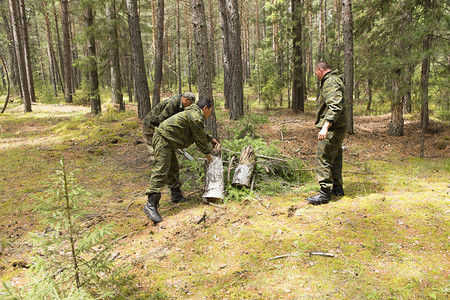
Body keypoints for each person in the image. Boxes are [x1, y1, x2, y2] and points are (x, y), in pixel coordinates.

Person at [143, 98, 219, 223]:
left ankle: (176, 195)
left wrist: (210, 139)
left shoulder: (194, 114)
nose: (209, 114)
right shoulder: (195, 116)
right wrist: (207, 152)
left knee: (173, 168)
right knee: (161, 169)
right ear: (205, 108)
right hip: (163, 139)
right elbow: (198, 137)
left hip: (168, 141)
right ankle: (150, 204)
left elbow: (198, 132)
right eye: (210, 111)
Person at [307, 61, 347, 205]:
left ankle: (325, 193)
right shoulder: (335, 79)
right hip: (338, 126)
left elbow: (335, 106)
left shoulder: (330, 81)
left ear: (320, 70)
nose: (316, 75)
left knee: (322, 157)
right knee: (335, 157)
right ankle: (337, 188)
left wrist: (325, 127)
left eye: (316, 73)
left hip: (333, 127)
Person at [142, 92, 196, 161]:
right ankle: (156, 166)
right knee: (154, 145)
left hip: (158, 124)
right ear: (185, 99)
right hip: (150, 124)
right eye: (190, 103)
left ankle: (163, 163)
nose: (190, 105)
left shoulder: (181, 105)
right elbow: (162, 119)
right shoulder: (172, 103)